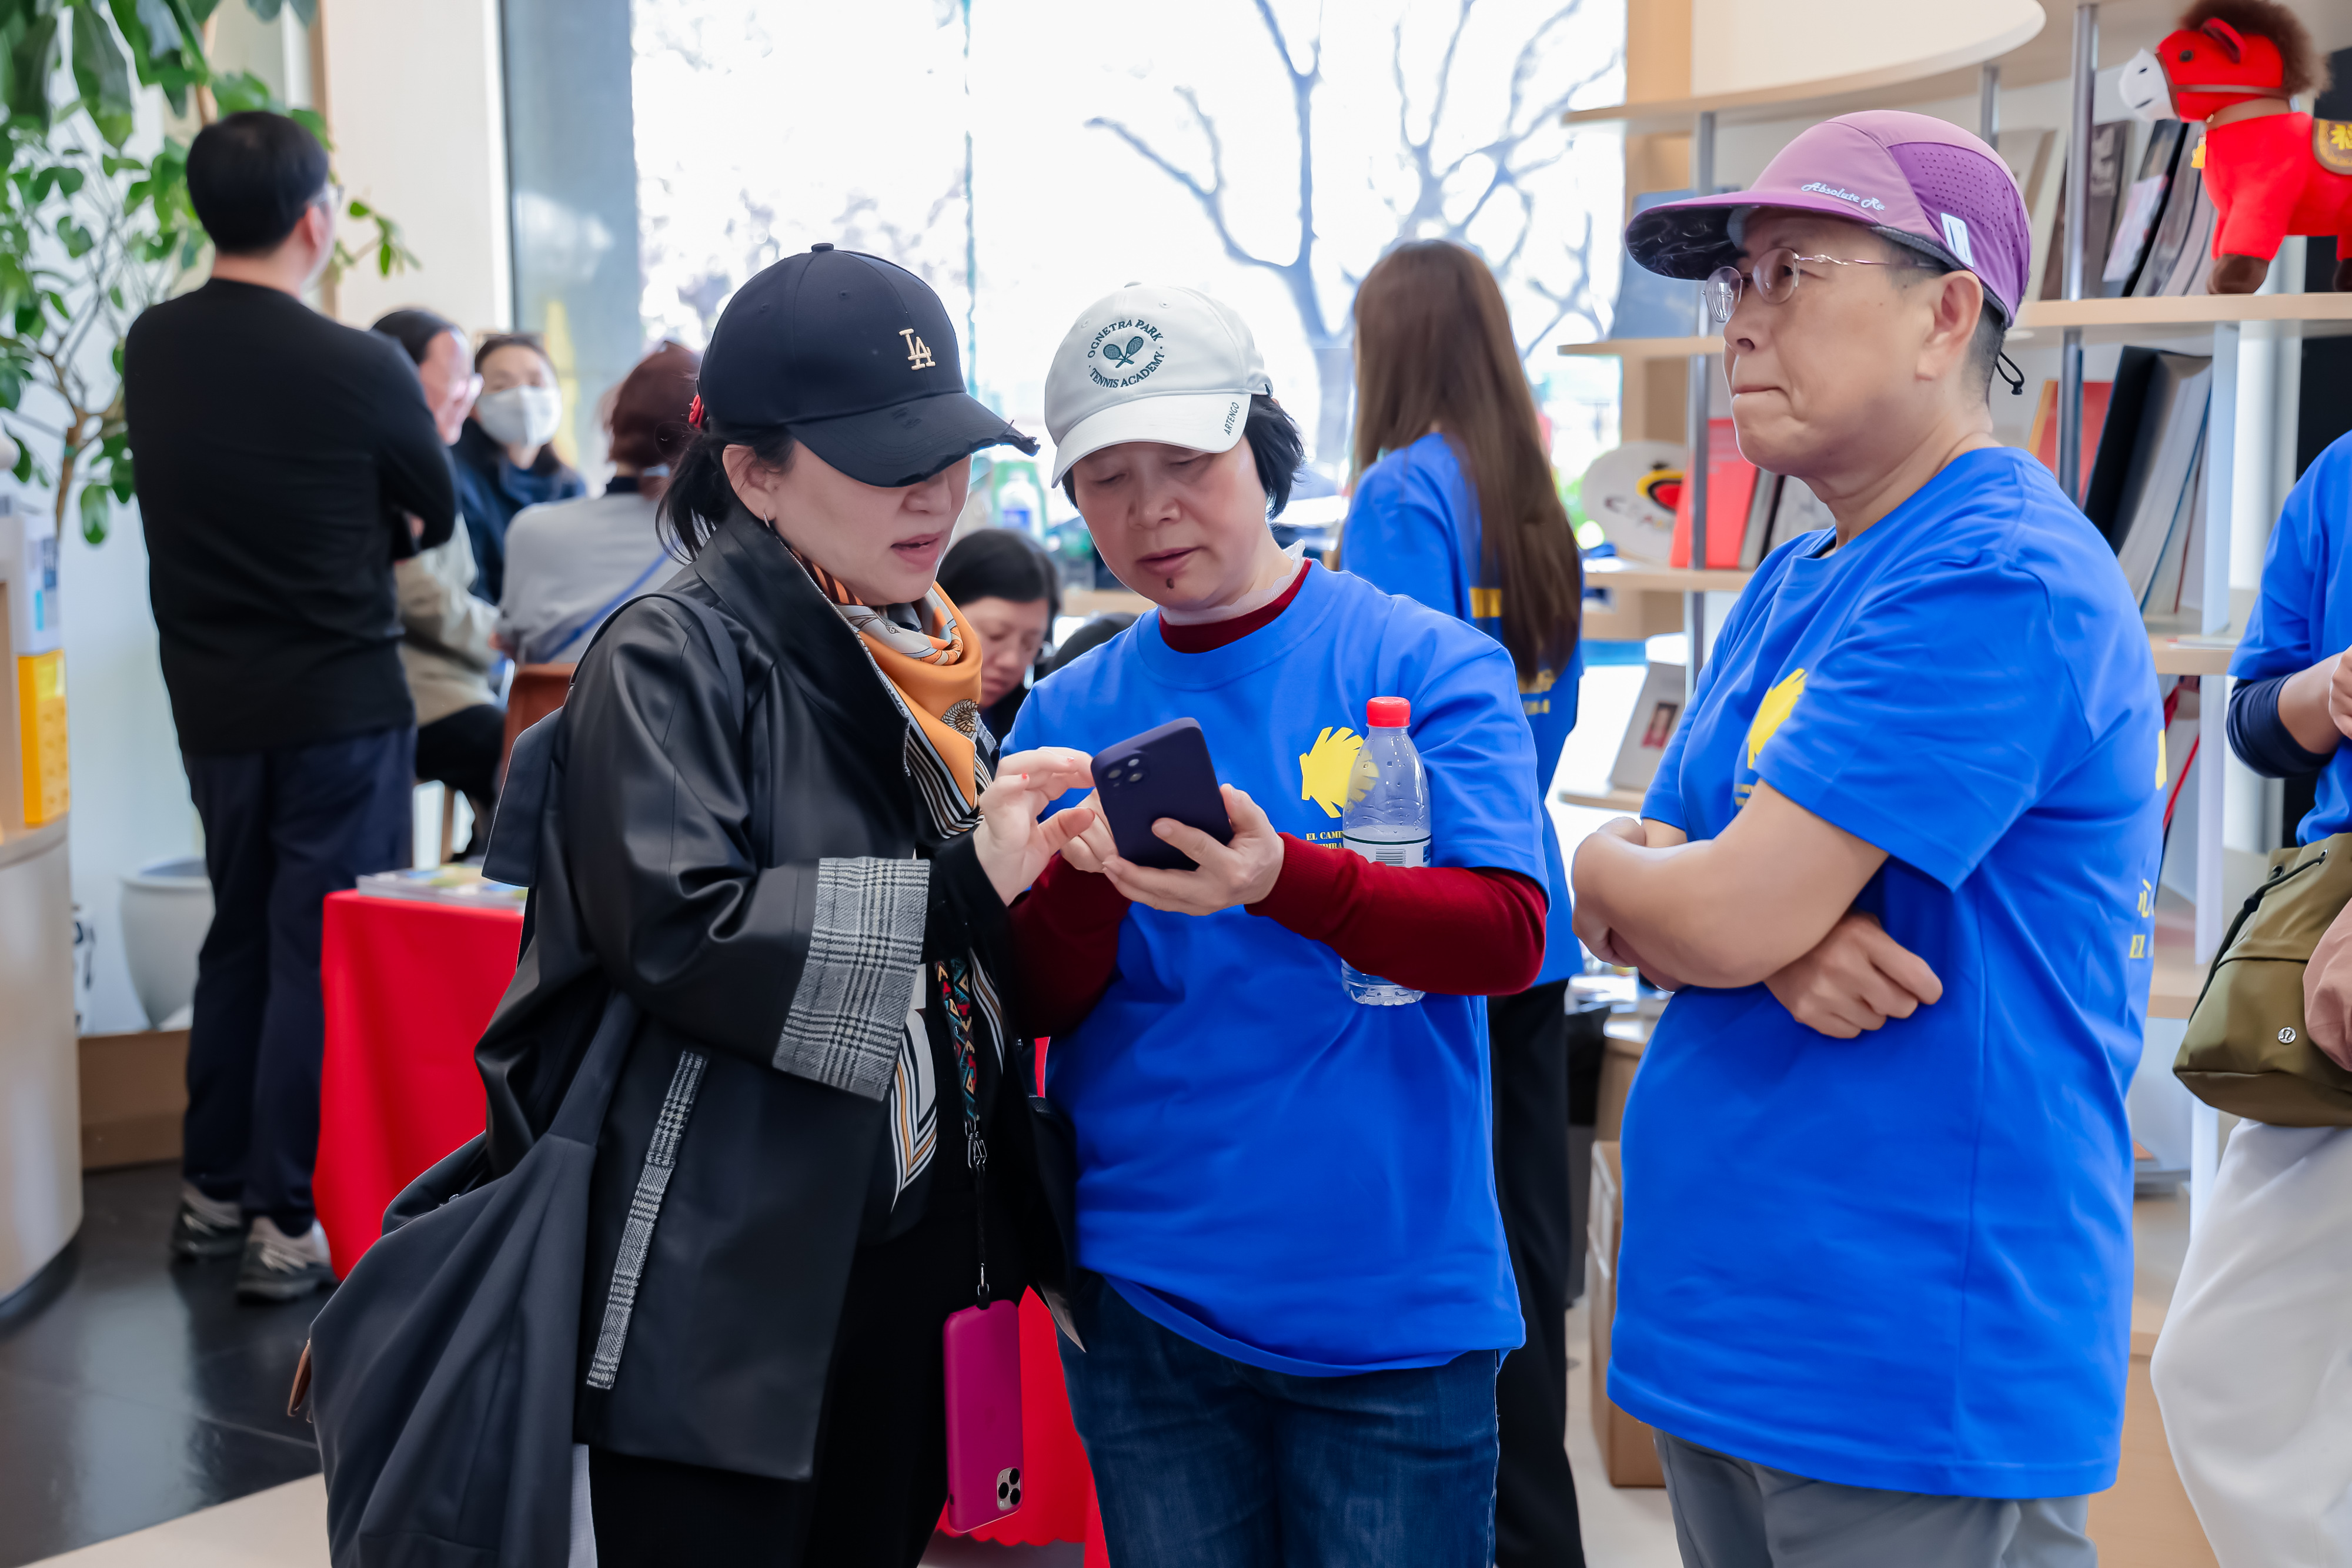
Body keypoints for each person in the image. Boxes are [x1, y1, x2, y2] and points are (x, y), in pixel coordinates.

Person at [1569, 112, 2163, 1566]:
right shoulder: (1798, 572)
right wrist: (1692, 906)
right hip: (1731, 1321)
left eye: (1792, 274)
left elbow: (1697, 903)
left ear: (1944, 313)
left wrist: (1696, 906)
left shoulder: (1992, 574)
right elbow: (1651, 866)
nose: (1742, 326)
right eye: (1737, 286)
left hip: (1907, 1352)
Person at [468, 243, 1078, 1567]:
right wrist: (968, 881)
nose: (932, 493)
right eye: (880, 457)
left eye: (951, 451)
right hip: (730, 1275)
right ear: (751, 472)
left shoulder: (911, 646)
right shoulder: (669, 650)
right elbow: (683, 928)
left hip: (910, 1243)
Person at [1005, 283, 1553, 1567]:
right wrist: (1083, 884)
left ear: (1263, 447)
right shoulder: (1063, 710)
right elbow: (1034, 1004)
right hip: (1147, 1294)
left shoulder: (1422, 661)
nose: (1150, 511)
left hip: (1392, 1297)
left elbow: (1506, 935)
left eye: (1186, 463)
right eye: (1106, 477)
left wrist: (1280, 880)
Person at [123, 111, 455, 1300]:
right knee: (317, 946)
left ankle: (212, 1187)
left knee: (241, 930)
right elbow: (440, 510)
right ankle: (286, 1213)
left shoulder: (151, 346)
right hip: (339, 699)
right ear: (317, 220)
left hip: (211, 699)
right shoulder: (360, 363)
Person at [1341, 237, 1587, 1568]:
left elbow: (1394, 739)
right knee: (1526, 1258)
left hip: (1433, 932)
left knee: (1454, 1268)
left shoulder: (1397, 494)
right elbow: (1537, 726)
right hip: (1529, 909)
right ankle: (1541, 1536)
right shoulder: (1530, 495)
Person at [2152, 426, 2352, 1567]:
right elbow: (2247, 717)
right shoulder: (2335, 473)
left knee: (2230, 1366)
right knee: (2220, 1365)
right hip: (2321, 945)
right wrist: (2320, 694)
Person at [373, 308, 505, 857]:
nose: (467, 393)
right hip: (416, 687)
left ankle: (482, 856)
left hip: (459, 679)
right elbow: (412, 588)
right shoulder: (386, 459)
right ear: (401, 373)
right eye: (457, 378)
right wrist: (500, 633)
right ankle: (487, 876)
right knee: (523, 754)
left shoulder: (435, 457)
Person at [500, 341, 699, 667]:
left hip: (551, 718)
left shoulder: (530, 530)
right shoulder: (716, 544)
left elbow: (508, 644)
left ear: (615, 423)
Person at [450, 332, 585, 601]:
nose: (523, 395)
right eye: (502, 386)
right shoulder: (455, 476)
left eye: (537, 383)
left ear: (557, 396)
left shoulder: (570, 485)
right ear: (475, 403)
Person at [935, 526, 1060, 737]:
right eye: (996, 635)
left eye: (1030, 645)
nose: (1012, 662)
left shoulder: (1029, 728)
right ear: (939, 615)